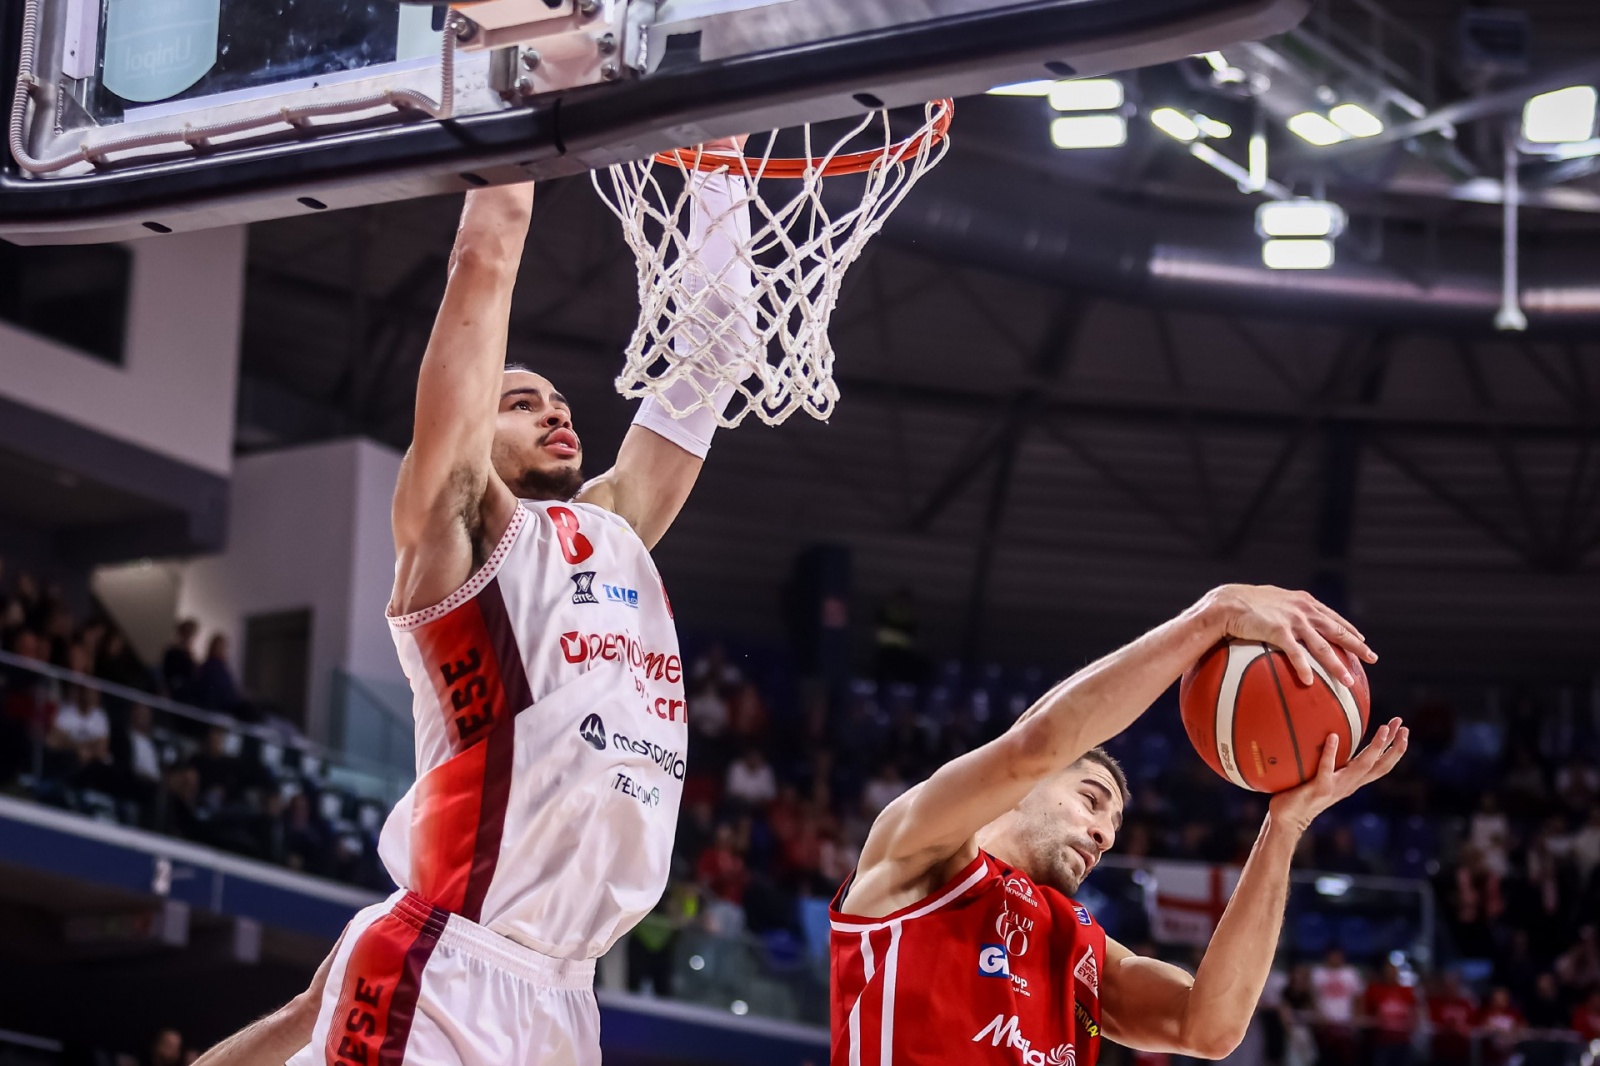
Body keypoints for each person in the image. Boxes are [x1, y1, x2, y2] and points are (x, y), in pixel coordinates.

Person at [201, 144, 759, 1066]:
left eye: (559, 401)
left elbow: (717, 347)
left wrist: (719, 165)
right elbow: (485, 254)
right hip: (451, 959)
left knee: (307, 1019)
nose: (554, 412)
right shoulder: (456, 533)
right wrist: (531, 102)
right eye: (520, 402)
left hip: (568, 991)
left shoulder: (614, 529)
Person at [829, 584, 1404, 1065]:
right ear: (1023, 790)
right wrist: (1214, 616)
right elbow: (1033, 748)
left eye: (1115, 824)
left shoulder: (1079, 945)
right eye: (1091, 799)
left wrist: (1285, 826)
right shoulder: (917, 852)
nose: (1105, 835)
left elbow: (1210, 1027)